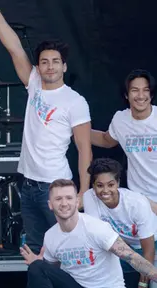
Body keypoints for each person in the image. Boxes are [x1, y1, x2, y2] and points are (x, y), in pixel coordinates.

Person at [0, 0, 92, 254]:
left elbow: (84, 149)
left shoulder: (75, 101)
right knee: (35, 250)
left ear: (64, 66)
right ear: (38, 66)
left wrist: (84, 191)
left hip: (56, 186)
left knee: (65, 249)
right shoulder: (34, 83)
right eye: (44, 61)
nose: (49, 66)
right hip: (28, 185)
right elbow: (15, 49)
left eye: (55, 61)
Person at [20, 179, 157, 288]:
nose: (64, 203)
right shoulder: (50, 236)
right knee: (37, 267)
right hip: (76, 285)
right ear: (50, 205)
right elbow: (54, 274)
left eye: (69, 198)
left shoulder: (96, 228)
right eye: (58, 199)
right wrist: (39, 264)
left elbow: (133, 258)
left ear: (77, 202)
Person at [84, 158, 157, 288]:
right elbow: (97, 237)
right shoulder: (90, 197)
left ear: (118, 183)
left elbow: (148, 249)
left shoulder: (136, 203)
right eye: (100, 185)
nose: (105, 190)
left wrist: (143, 283)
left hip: (151, 246)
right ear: (93, 186)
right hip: (120, 247)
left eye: (111, 185)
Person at [91, 69, 157, 203]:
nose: (140, 95)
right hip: (139, 198)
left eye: (146, 90)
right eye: (134, 90)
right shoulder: (121, 119)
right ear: (126, 95)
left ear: (151, 94)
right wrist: (74, 130)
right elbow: (106, 140)